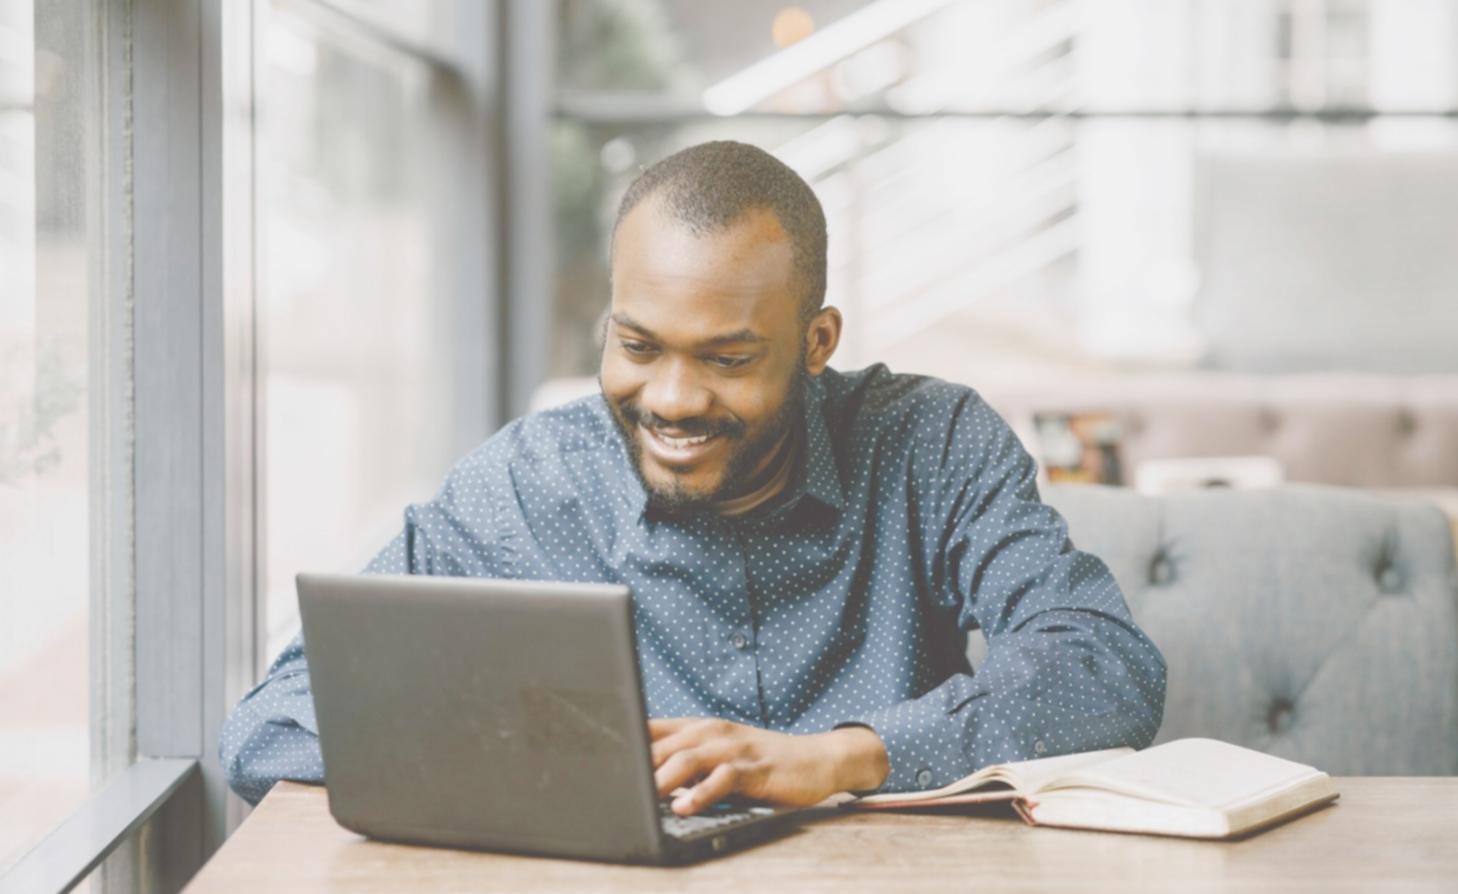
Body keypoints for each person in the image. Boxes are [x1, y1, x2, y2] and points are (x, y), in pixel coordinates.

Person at [220, 140, 1166, 814]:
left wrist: (840, 758)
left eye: (725, 358)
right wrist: (567, 770)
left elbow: (1106, 666)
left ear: (816, 342)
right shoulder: (524, 486)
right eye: (638, 345)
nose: (669, 398)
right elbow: (272, 729)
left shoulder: (931, 442)